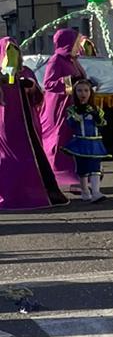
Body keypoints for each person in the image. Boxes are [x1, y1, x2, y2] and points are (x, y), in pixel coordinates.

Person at [0, 38, 66, 211]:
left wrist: (30, 86)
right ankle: (10, 193)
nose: (12, 55)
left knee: (31, 157)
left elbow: (38, 94)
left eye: (14, 50)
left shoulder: (26, 70)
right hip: (6, 123)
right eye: (8, 51)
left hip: (28, 123)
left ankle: (34, 193)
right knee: (9, 159)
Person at [38, 27, 86, 193]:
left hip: (72, 106)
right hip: (58, 108)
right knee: (59, 141)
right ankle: (60, 176)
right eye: (75, 42)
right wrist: (69, 81)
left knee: (72, 140)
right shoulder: (56, 60)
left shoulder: (73, 60)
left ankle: (76, 176)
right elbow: (49, 83)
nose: (78, 45)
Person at [64, 76, 109, 203]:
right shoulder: (72, 109)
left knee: (96, 167)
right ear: (75, 92)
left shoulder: (96, 109)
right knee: (83, 168)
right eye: (79, 90)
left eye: (86, 90)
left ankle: (96, 192)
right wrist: (77, 116)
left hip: (95, 143)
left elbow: (102, 123)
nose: (83, 93)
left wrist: (97, 117)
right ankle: (85, 191)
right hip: (80, 142)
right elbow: (70, 124)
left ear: (91, 92)